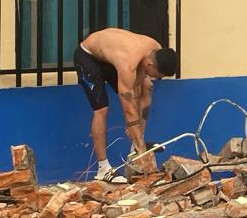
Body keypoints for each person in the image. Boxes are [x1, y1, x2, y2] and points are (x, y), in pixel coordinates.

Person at [75, 28, 179, 182]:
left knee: (147, 87)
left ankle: (136, 147)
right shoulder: (129, 63)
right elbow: (128, 109)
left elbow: (137, 89)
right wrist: (138, 140)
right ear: (150, 65)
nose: (155, 77)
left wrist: (137, 136)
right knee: (101, 109)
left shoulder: (155, 48)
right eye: (156, 75)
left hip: (109, 58)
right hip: (88, 57)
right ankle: (103, 169)